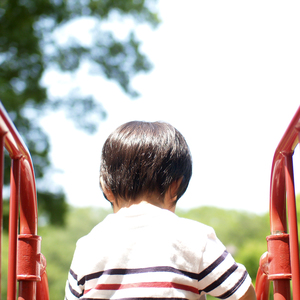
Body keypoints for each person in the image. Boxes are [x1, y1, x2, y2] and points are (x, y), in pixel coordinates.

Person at [65, 121, 256, 300]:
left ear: (106, 187)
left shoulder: (88, 245)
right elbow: (243, 293)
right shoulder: (193, 238)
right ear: (176, 186)